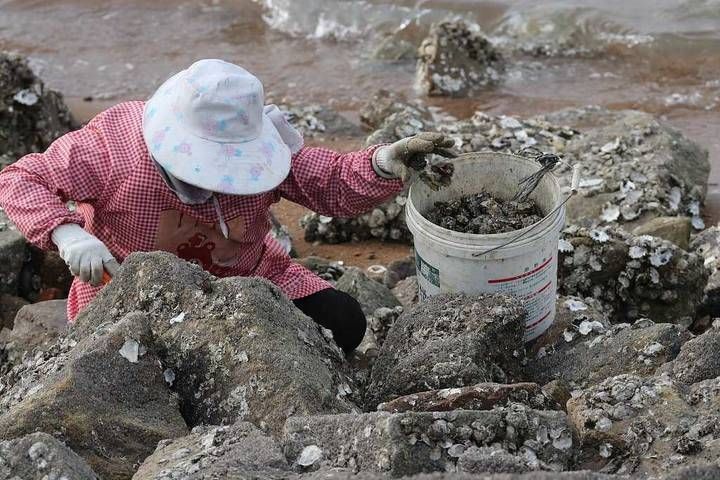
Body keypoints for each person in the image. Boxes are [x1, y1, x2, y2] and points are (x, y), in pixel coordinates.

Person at [0, 59, 455, 353]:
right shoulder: (114, 146)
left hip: (253, 280)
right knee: (143, 366)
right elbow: (20, 178)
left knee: (346, 324)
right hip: (130, 294)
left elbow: (328, 182)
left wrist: (383, 163)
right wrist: (67, 233)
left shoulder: (263, 146)